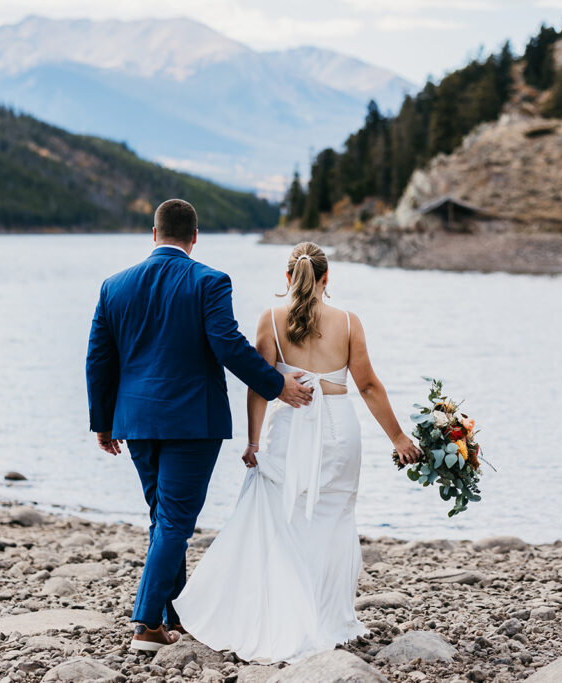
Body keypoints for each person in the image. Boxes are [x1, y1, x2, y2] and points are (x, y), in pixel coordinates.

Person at [173, 241, 421, 663]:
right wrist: (398, 438)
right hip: (340, 430)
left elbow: (259, 385)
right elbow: (368, 386)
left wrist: (252, 442)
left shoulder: (270, 319)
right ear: (327, 278)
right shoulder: (348, 321)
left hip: (289, 427)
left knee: (284, 519)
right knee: (334, 518)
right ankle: (328, 617)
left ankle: (290, 613)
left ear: (288, 278)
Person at [85, 199, 314, 652]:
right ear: (194, 237)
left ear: (154, 235)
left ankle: (176, 615)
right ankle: (146, 623)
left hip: (135, 421)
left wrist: (103, 421)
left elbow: (98, 359)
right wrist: (276, 385)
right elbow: (227, 346)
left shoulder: (114, 286)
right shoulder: (209, 280)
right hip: (191, 420)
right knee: (173, 522)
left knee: (163, 519)